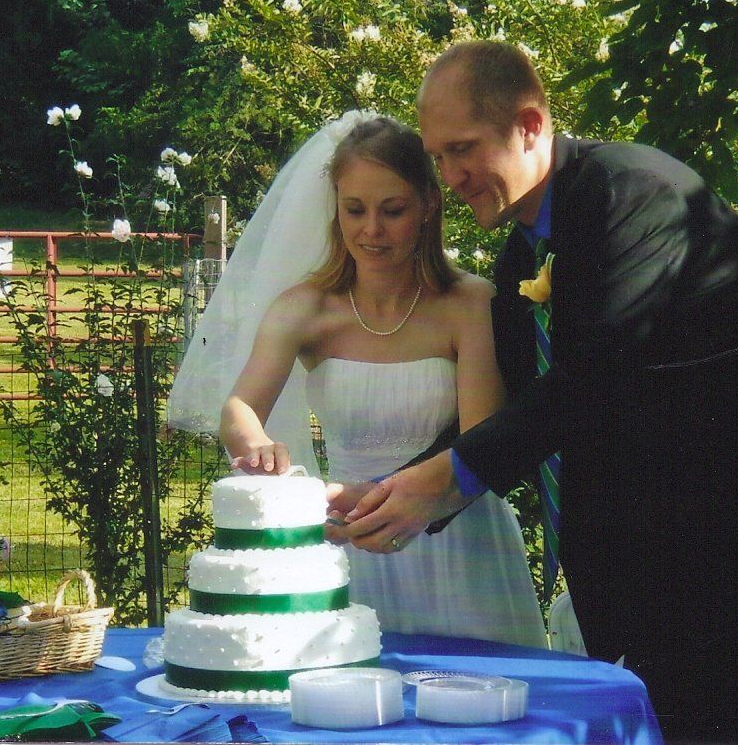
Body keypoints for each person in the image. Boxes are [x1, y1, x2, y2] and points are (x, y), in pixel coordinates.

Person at [332, 41, 738, 741]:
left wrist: (443, 478)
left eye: (463, 149)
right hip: (668, 561)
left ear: (531, 125)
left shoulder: (634, 193)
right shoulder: (521, 253)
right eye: (438, 157)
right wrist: (391, 495)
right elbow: (513, 405)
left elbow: (597, 375)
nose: (449, 176)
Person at [167, 111, 545, 649]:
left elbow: (480, 441)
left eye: (392, 210)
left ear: (428, 206)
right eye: (355, 210)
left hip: (456, 539)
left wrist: (393, 498)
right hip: (349, 538)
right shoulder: (305, 310)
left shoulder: (469, 304)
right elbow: (239, 408)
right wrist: (257, 447)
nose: (371, 230)